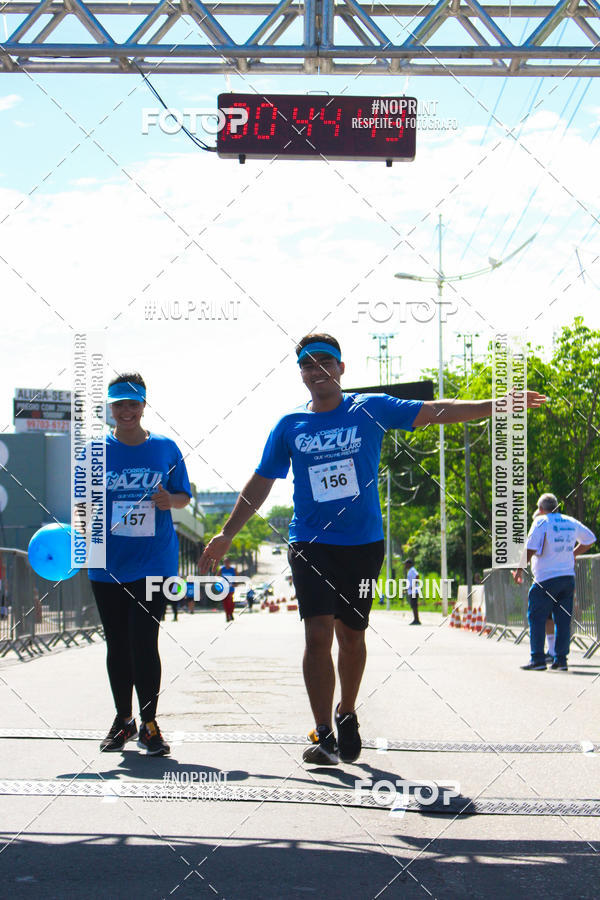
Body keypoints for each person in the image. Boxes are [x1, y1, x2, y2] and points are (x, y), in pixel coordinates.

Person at [200, 333, 546, 765]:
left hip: (362, 544)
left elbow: (436, 410)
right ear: (301, 374)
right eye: (307, 364)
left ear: (341, 368)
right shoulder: (289, 425)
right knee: (317, 634)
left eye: (325, 362)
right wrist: (228, 532)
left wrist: (495, 405)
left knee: (351, 634)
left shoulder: (370, 408)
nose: (316, 370)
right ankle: (323, 733)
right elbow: (261, 481)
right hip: (310, 542)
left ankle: (347, 712)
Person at [89, 373, 192, 756]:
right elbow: (82, 506)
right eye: (119, 404)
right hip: (107, 563)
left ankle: (149, 724)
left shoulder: (165, 448)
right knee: (117, 644)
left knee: (144, 642)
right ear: (110, 408)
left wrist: (170, 501)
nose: (126, 411)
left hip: (155, 563)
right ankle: (123, 720)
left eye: (133, 404)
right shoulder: (94, 452)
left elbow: (183, 496)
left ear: (144, 406)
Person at [514, 492, 595, 671]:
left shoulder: (540, 522)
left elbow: (530, 548)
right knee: (563, 620)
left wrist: (519, 569)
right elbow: (590, 539)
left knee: (536, 617)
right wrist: (573, 554)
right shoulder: (570, 521)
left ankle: (538, 659)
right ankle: (561, 660)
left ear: (541, 509)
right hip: (567, 578)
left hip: (545, 579)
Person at [405, 558, 421, 625]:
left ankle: (416, 620)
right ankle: (416, 619)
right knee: (413, 605)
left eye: (406, 564)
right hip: (412, 591)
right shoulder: (410, 570)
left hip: (414, 591)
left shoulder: (412, 570)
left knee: (414, 606)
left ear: (409, 564)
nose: (405, 565)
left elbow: (417, 576)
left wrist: (413, 586)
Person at [220, 558, 237, 622]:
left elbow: (237, 577)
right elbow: (217, 576)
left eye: (227, 562)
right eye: (225, 562)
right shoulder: (222, 569)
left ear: (229, 563)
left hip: (231, 589)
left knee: (230, 602)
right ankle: (227, 615)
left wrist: (236, 583)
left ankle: (231, 613)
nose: (226, 563)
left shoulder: (233, 570)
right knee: (225, 602)